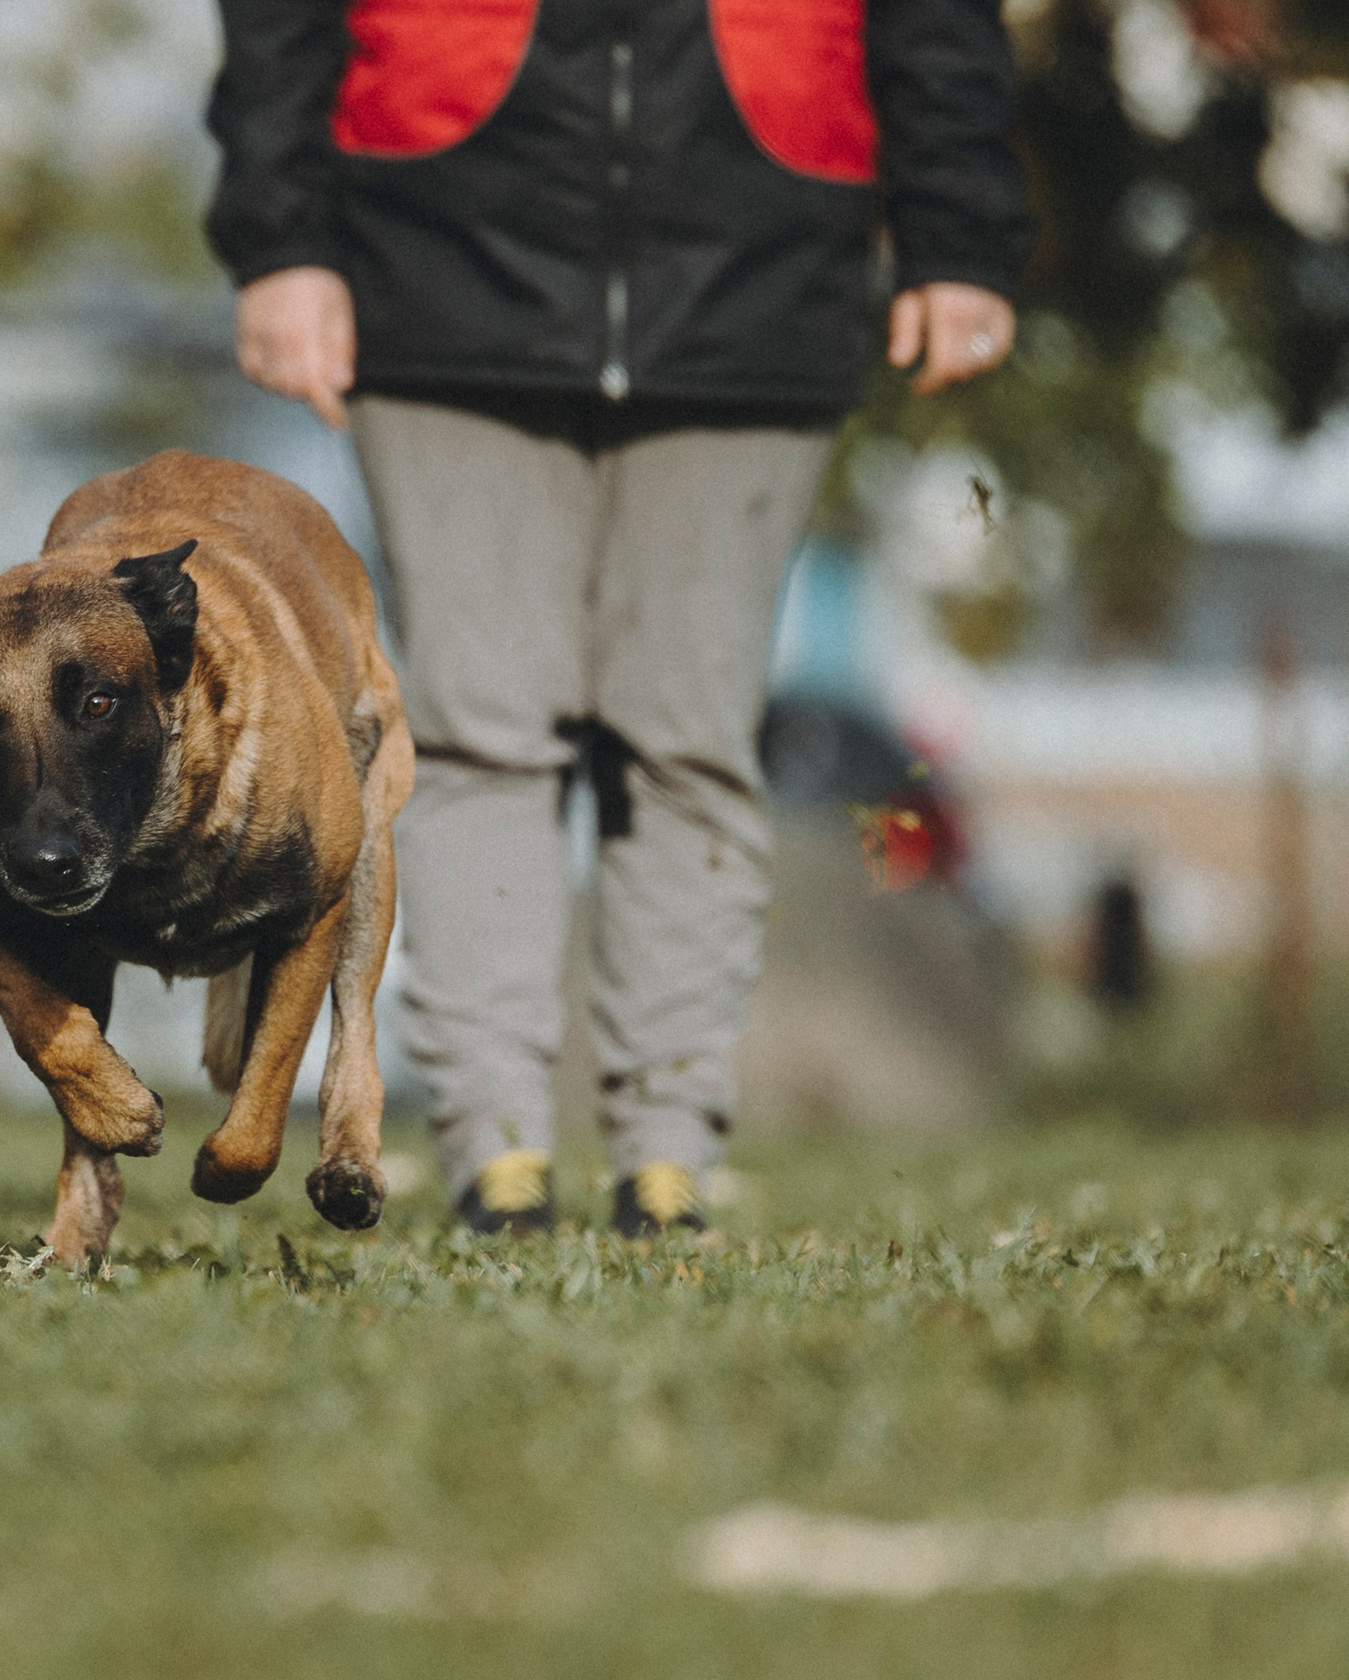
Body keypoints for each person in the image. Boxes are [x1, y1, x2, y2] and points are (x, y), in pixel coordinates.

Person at [204, 0, 1032, 1235]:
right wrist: (281, 241)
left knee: (689, 740)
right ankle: (496, 1156)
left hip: (758, 265)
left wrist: (958, 231)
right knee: (480, 735)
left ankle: (666, 1161)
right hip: (438, 264)